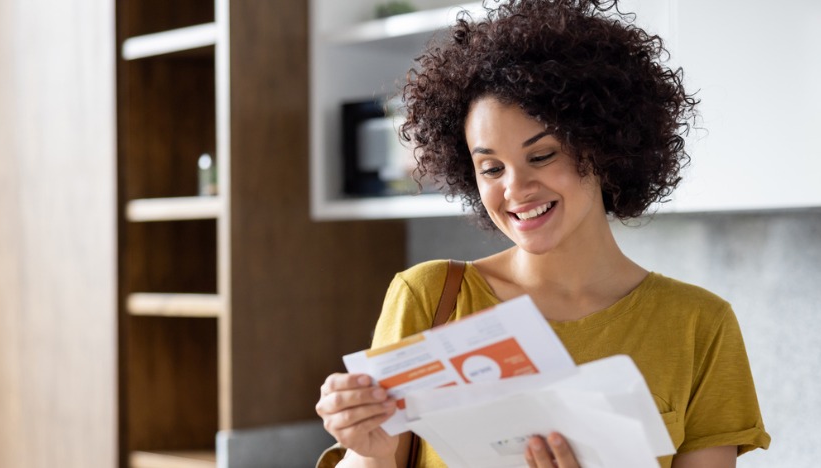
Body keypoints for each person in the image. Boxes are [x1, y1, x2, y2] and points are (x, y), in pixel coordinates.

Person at [315, 0, 771, 466]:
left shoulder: (700, 325)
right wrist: (366, 451)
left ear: (603, 146)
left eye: (541, 156)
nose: (515, 189)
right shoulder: (431, 297)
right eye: (491, 167)